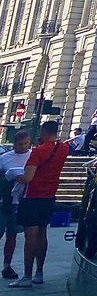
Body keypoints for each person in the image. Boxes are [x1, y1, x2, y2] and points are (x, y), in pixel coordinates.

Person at [11, 122, 69, 289]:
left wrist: (15, 177)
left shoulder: (38, 151)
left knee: (30, 236)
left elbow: (27, 177)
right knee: (43, 234)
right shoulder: (63, 148)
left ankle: (27, 275)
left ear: (43, 131)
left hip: (32, 196)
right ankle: (39, 273)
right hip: (49, 196)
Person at [0, 132, 31, 281]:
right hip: (3, 200)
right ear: (14, 143)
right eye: (20, 144)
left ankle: (7, 266)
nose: (23, 147)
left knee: (12, 235)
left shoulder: (32, 156)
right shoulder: (5, 158)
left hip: (20, 201)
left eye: (26, 143)